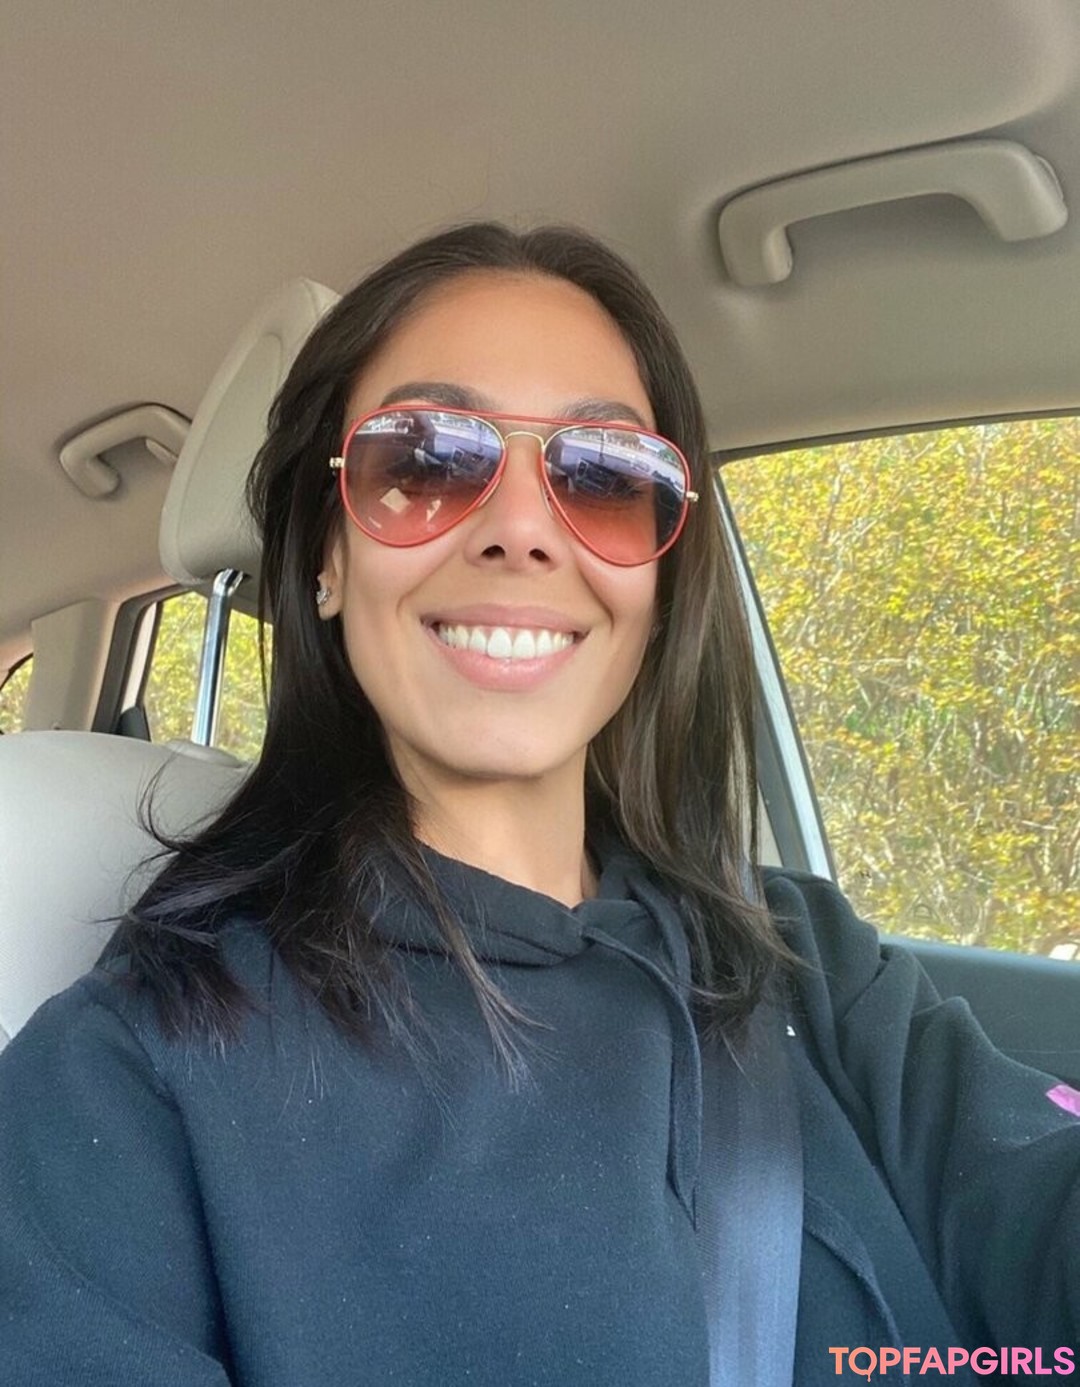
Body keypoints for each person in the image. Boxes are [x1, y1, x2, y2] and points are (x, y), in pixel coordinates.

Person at [0, 223, 1076, 1387]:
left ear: (658, 581)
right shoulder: (123, 1080)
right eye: (423, 460)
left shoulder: (804, 959)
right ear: (327, 555)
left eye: (606, 477)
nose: (520, 529)